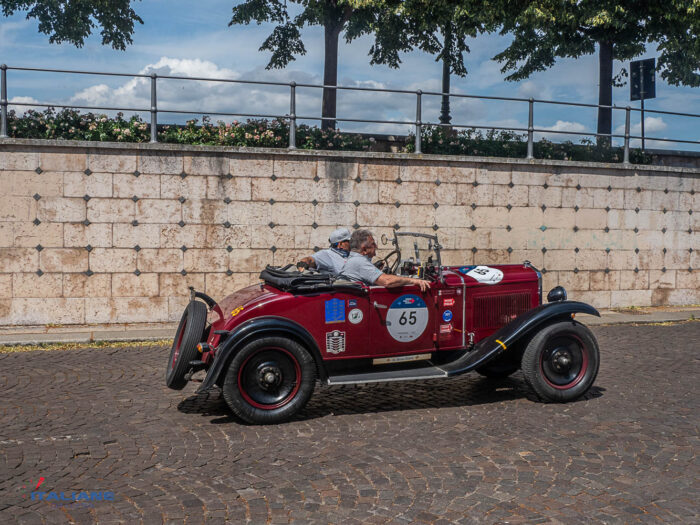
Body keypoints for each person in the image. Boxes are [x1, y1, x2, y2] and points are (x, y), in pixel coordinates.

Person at [340, 229, 431, 292]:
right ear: (364, 250)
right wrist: (413, 281)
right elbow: (387, 281)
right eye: (373, 244)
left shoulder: (353, 259)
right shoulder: (359, 261)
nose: (376, 246)